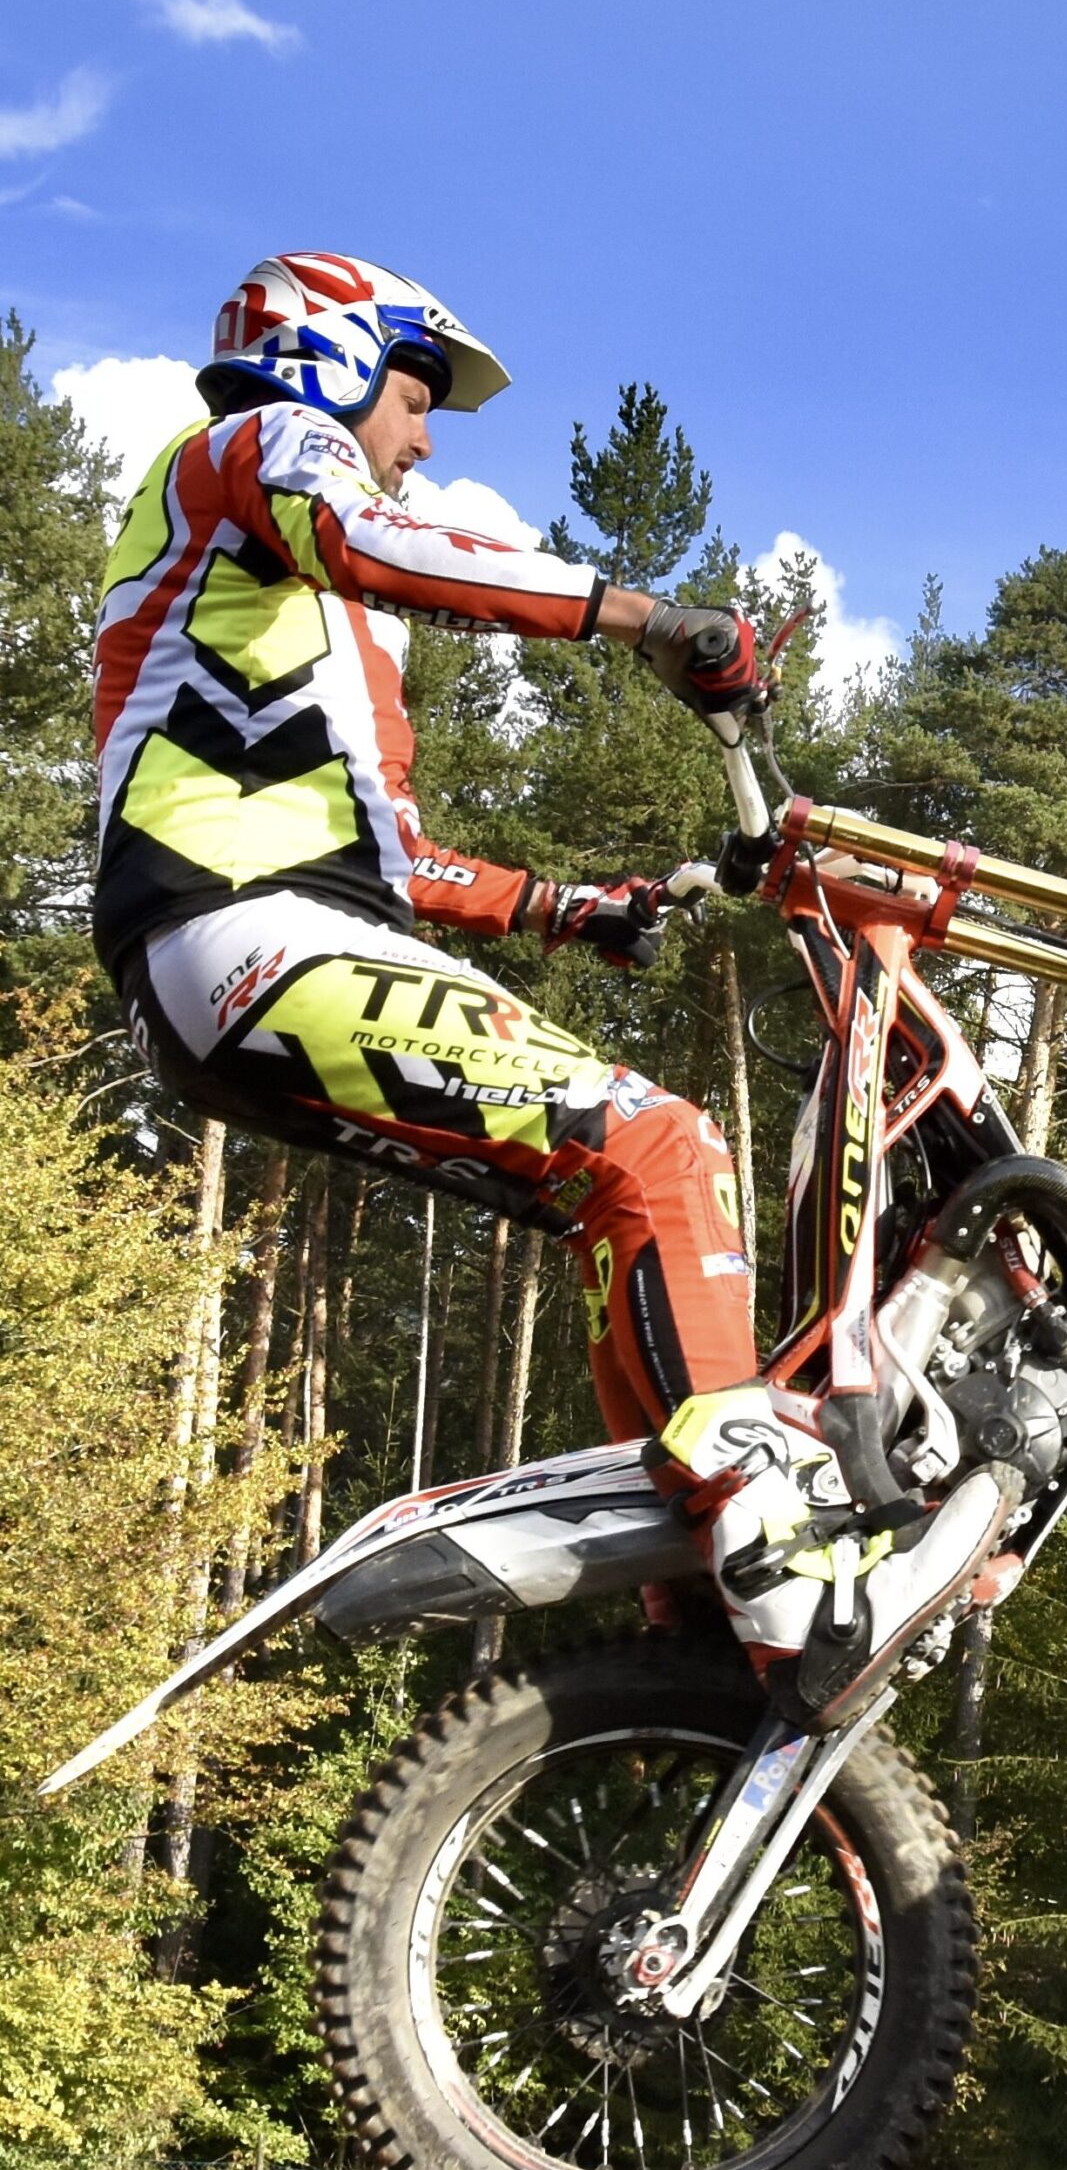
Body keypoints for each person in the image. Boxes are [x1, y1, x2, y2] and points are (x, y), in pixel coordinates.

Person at [94, 252, 986, 1706]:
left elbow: (394, 858)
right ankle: (768, 1540)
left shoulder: (293, 614)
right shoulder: (258, 449)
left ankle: (689, 1615)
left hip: (256, 942)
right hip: (244, 932)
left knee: (613, 1200)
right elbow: (379, 535)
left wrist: (584, 910)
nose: (421, 437)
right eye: (413, 394)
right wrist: (648, 619)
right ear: (331, 356)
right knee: (662, 1146)